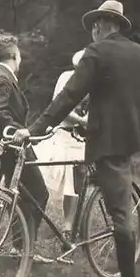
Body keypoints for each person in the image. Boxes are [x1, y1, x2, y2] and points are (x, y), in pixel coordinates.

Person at [12, 0, 140, 277]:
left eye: (95, 25)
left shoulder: (98, 51)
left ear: (102, 24)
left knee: (119, 214)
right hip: (132, 136)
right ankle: (79, 229)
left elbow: (68, 95)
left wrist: (35, 129)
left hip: (109, 140)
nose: (93, 30)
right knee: (109, 193)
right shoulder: (139, 52)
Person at [0, 34, 52, 263]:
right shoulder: (2, 78)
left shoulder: (0, 76)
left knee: (23, 196)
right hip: (13, 147)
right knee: (39, 193)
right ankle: (25, 250)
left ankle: (19, 247)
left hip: (11, 146)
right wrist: (20, 132)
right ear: (13, 56)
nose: (21, 60)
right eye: (19, 56)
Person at [34, 49, 88, 242]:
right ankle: (32, 221)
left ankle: (68, 226)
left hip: (80, 139)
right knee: (43, 177)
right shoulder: (66, 78)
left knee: (74, 184)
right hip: (61, 134)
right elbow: (60, 107)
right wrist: (83, 121)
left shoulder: (93, 84)